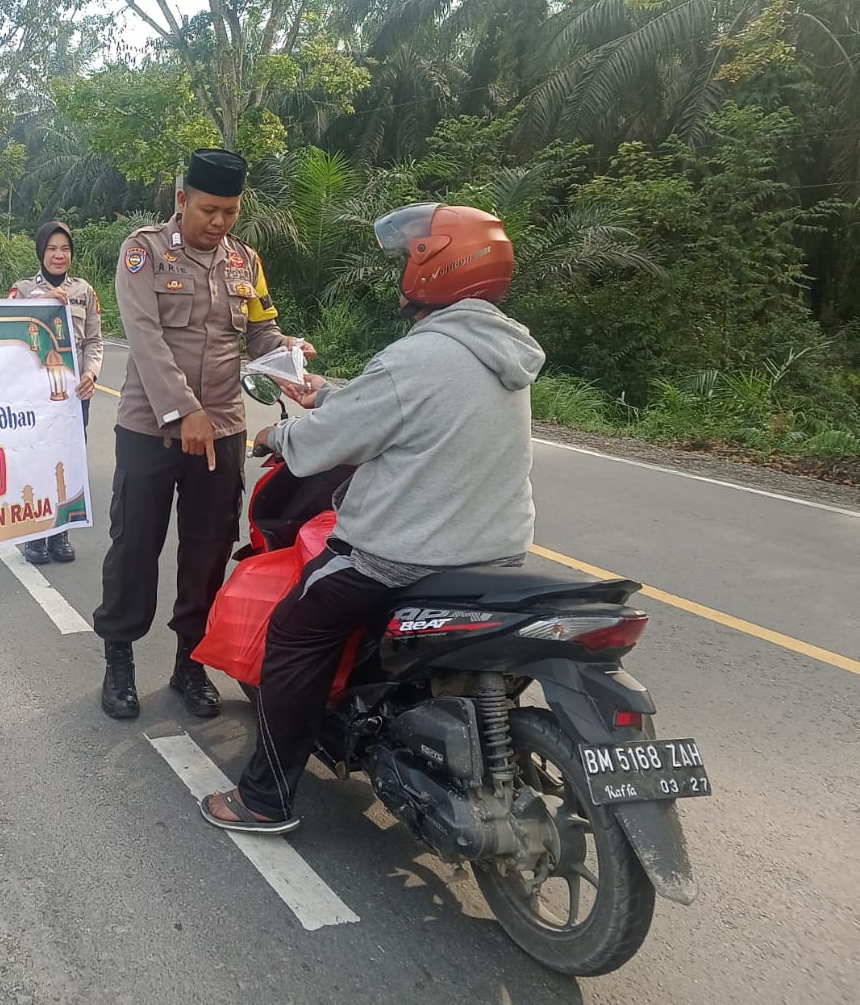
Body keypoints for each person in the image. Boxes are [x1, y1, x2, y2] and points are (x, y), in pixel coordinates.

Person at [199, 203, 545, 834]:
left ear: (435, 264)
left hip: (402, 555)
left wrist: (282, 435)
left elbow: (320, 444)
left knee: (296, 632)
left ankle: (265, 798)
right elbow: (409, 408)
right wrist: (329, 393)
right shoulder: (501, 347)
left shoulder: (418, 356)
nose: (403, 269)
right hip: (495, 554)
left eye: (412, 255)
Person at [95, 148, 313, 720]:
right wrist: (183, 410)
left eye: (230, 212)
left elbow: (262, 334)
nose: (218, 222)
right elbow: (143, 336)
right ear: (182, 199)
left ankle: (190, 663)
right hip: (150, 427)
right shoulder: (142, 252)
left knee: (208, 550)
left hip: (222, 429)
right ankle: (119, 657)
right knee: (136, 544)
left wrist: (287, 358)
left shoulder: (246, 262)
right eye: (209, 209)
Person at [8, 220, 103, 565]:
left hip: (75, 394)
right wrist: (44, 300)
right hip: (36, 396)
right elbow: (6, 326)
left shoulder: (85, 291)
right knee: (36, 459)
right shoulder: (21, 289)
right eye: (51, 248)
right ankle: (34, 536)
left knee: (67, 460)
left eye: (64, 249)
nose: (59, 255)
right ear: (41, 252)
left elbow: (94, 339)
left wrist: (92, 372)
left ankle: (60, 531)